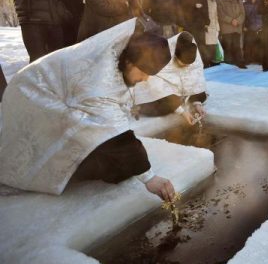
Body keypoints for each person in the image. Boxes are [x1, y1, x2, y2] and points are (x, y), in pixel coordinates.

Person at [0, 19, 176, 200]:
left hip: (51, 94)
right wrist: (150, 178)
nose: (146, 79)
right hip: (32, 97)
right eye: (144, 72)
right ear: (130, 62)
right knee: (98, 160)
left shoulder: (118, 56)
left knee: (116, 163)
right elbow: (117, 136)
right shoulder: (98, 80)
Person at [136, 31, 207, 123]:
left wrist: (197, 102)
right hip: (157, 91)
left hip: (175, 92)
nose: (185, 67)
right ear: (176, 57)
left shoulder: (193, 51)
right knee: (160, 108)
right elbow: (156, 85)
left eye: (187, 65)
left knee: (202, 94)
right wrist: (181, 111)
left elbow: (196, 76)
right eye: (182, 64)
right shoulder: (162, 54)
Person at [178, 0, 210, 64]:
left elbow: (206, 7)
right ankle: (190, 64)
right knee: (190, 44)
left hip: (200, 23)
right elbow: (180, 5)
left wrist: (207, 21)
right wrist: (193, 5)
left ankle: (203, 63)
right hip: (189, 22)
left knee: (201, 44)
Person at [218, 0, 246, 68]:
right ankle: (228, 64)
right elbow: (220, 14)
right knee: (228, 47)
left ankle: (240, 63)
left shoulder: (238, 0)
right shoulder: (220, 0)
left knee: (237, 46)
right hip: (226, 28)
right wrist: (231, 20)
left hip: (237, 27)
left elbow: (243, 13)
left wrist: (237, 21)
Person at [243, 0, 262, 64]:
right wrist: (244, 25)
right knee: (248, 44)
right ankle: (248, 59)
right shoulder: (246, 3)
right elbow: (244, 15)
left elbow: (263, 15)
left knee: (259, 45)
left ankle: (259, 59)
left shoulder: (260, 3)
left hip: (259, 27)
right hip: (249, 27)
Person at [205, 0, 220, 66]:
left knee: (213, 44)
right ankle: (208, 62)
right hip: (207, 25)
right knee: (207, 45)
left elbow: (216, 15)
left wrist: (217, 26)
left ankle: (214, 61)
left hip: (214, 25)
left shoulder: (214, 1)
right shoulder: (204, 1)